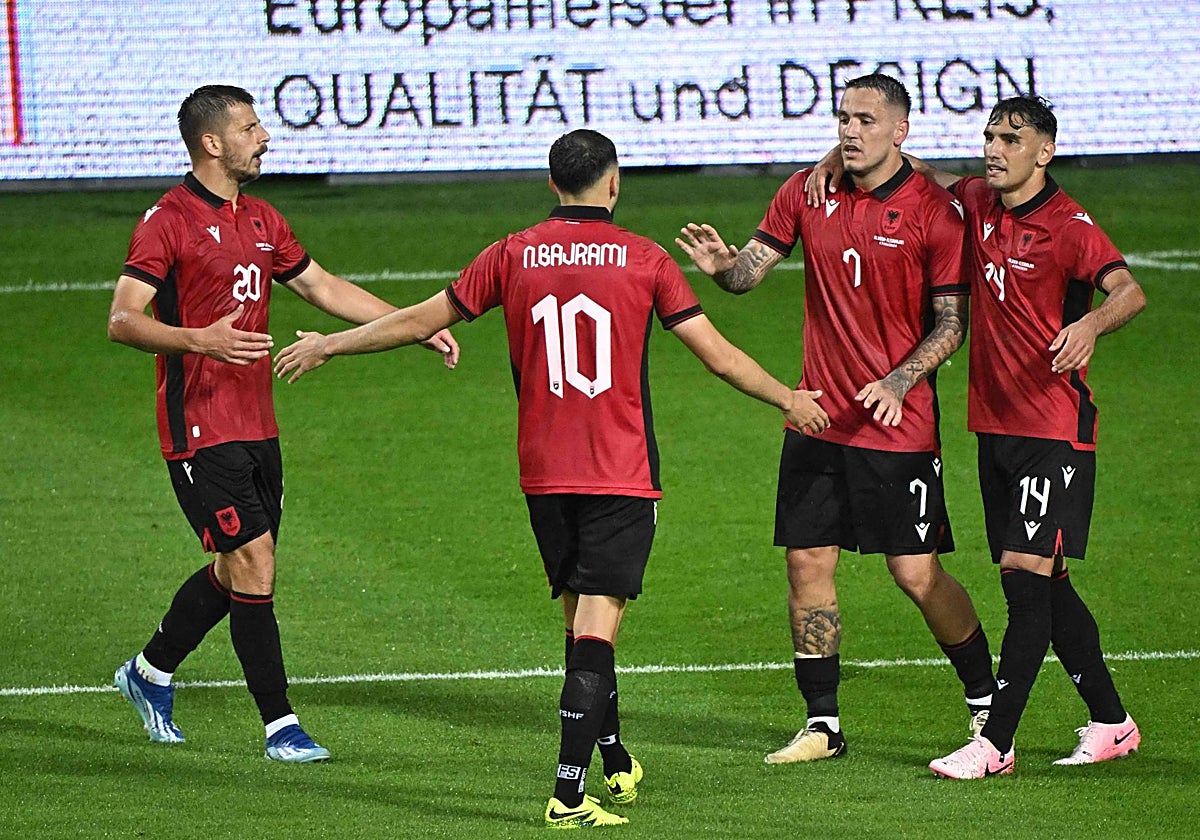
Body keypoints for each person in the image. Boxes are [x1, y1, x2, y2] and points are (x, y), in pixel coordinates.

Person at [274, 129, 827, 825]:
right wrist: (788, 397)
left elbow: (420, 319)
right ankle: (568, 794)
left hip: (544, 474)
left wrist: (332, 341)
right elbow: (717, 357)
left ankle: (616, 758)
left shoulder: (513, 253)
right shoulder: (644, 259)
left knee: (582, 630)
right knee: (597, 632)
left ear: (551, 184)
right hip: (619, 474)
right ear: (614, 183)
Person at [107, 84, 458, 763]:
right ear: (212, 143)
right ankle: (280, 727)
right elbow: (122, 319)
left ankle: (149, 673)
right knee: (254, 561)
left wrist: (415, 327)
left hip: (258, 425)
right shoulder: (168, 220)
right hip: (198, 427)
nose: (264, 136)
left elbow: (322, 288)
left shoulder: (263, 218)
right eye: (249, 126)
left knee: (237, 567)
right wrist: (199, 340)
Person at [675, 73, 996, 765]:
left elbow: (952, 324)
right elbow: (747, 276)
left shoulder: (935, 213)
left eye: (865, 121)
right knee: (806, 564)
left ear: (900, 132)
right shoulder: (805, 190)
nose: (850, 131)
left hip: (897, 427)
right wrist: (722, 265)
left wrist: (900, 379)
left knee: (916, 574)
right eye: (843, 118)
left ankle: (985, 704)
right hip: (816, 416)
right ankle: (822, 724)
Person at [861, 96, 1144, 778]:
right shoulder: (975, 199)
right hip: (995, 429)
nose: (995, 147)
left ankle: (996, 745)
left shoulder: (1070, 226)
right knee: (1050, 583)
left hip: (1054, 429)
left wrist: (1090, 326)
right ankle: (1112, 721)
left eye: (1011, 138)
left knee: (1024, 584)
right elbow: (907, 168)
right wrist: (827, 160)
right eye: (989, 135)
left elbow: (1128, 291)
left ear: (1043, 151)